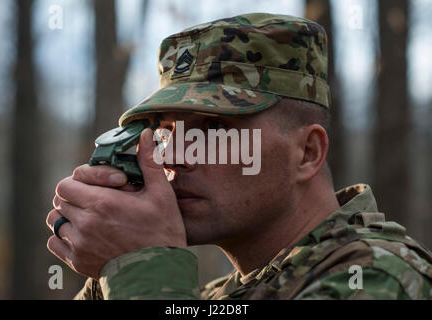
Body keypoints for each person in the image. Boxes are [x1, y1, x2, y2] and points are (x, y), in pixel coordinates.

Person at [46, 13, 432, 300]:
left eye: (214, 130)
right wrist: (113, 266)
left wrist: (143, 264)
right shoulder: (213, 297)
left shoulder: (377, 275)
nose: (176, 156)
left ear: (307, 153)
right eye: (167, 133)